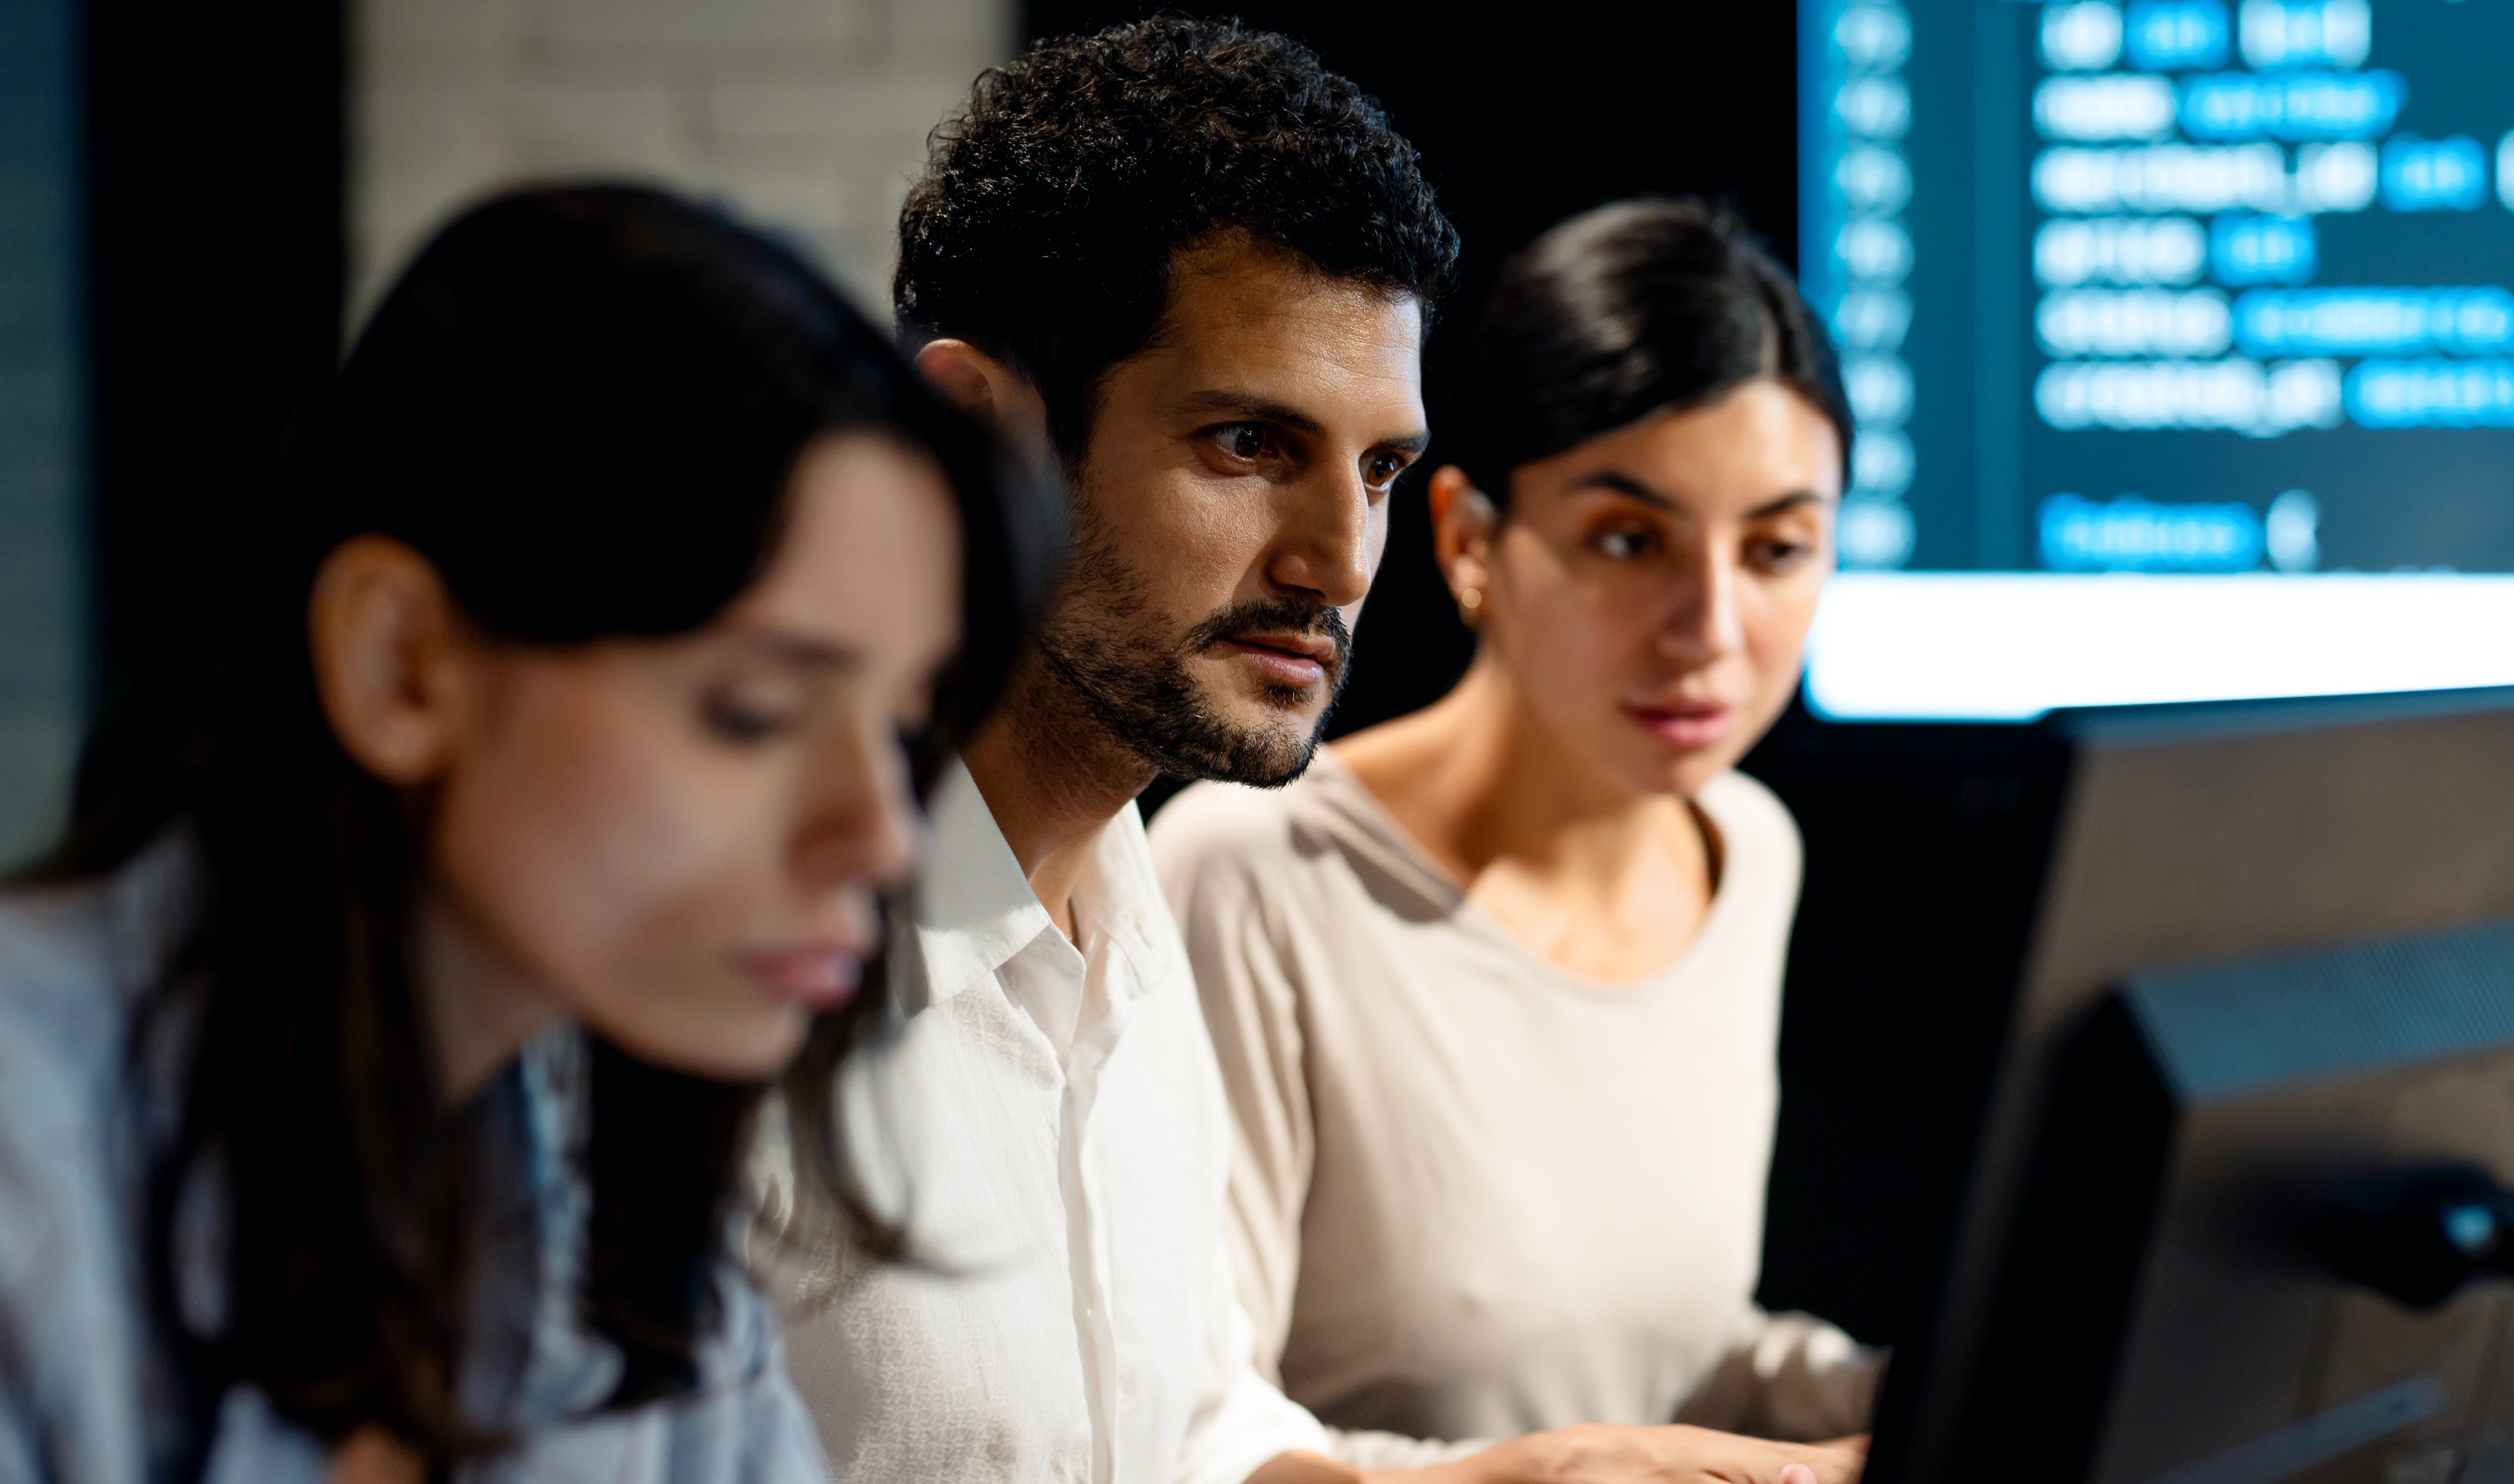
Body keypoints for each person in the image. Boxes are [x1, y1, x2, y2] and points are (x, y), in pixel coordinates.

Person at [752, 20, 1863, 1484]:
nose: (1340, 561)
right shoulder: (728, 980)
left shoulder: (1129, 917)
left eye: (1378, 468)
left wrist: (1506, 1480)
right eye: (1247, 445)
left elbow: (1191, 1432)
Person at [0, 185, 1055, 1483]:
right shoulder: (32, 1161)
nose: (882, 838)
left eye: (901, 727)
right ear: (404, 665)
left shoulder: (619, 1203)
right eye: (753, 712)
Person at [1150, 198, 1874, 1449]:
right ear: (1471, 543)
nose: (1709, 628)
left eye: (1776, 549)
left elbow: (1667, 1359)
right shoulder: (1253, 874)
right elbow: (1204, 1439)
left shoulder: (1747, 849)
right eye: (1628, 539)